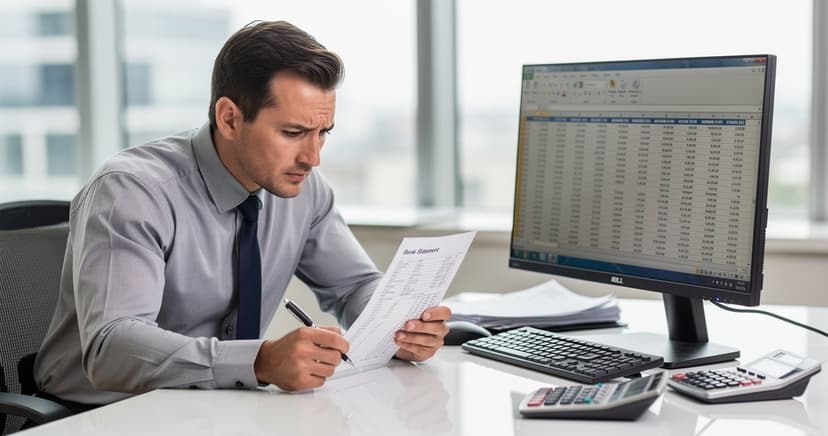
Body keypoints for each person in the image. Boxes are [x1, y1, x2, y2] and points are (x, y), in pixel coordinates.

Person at [33, 20, 451, 410]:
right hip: (100, 413)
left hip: (217, 407)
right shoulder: (133, 191)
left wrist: (401, 326)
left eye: (322, 133)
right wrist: (259, 361)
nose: (313, 157)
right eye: (292, 133)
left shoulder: (303, 191)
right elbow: (111, 347)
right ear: (230, 118)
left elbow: (354, 287)